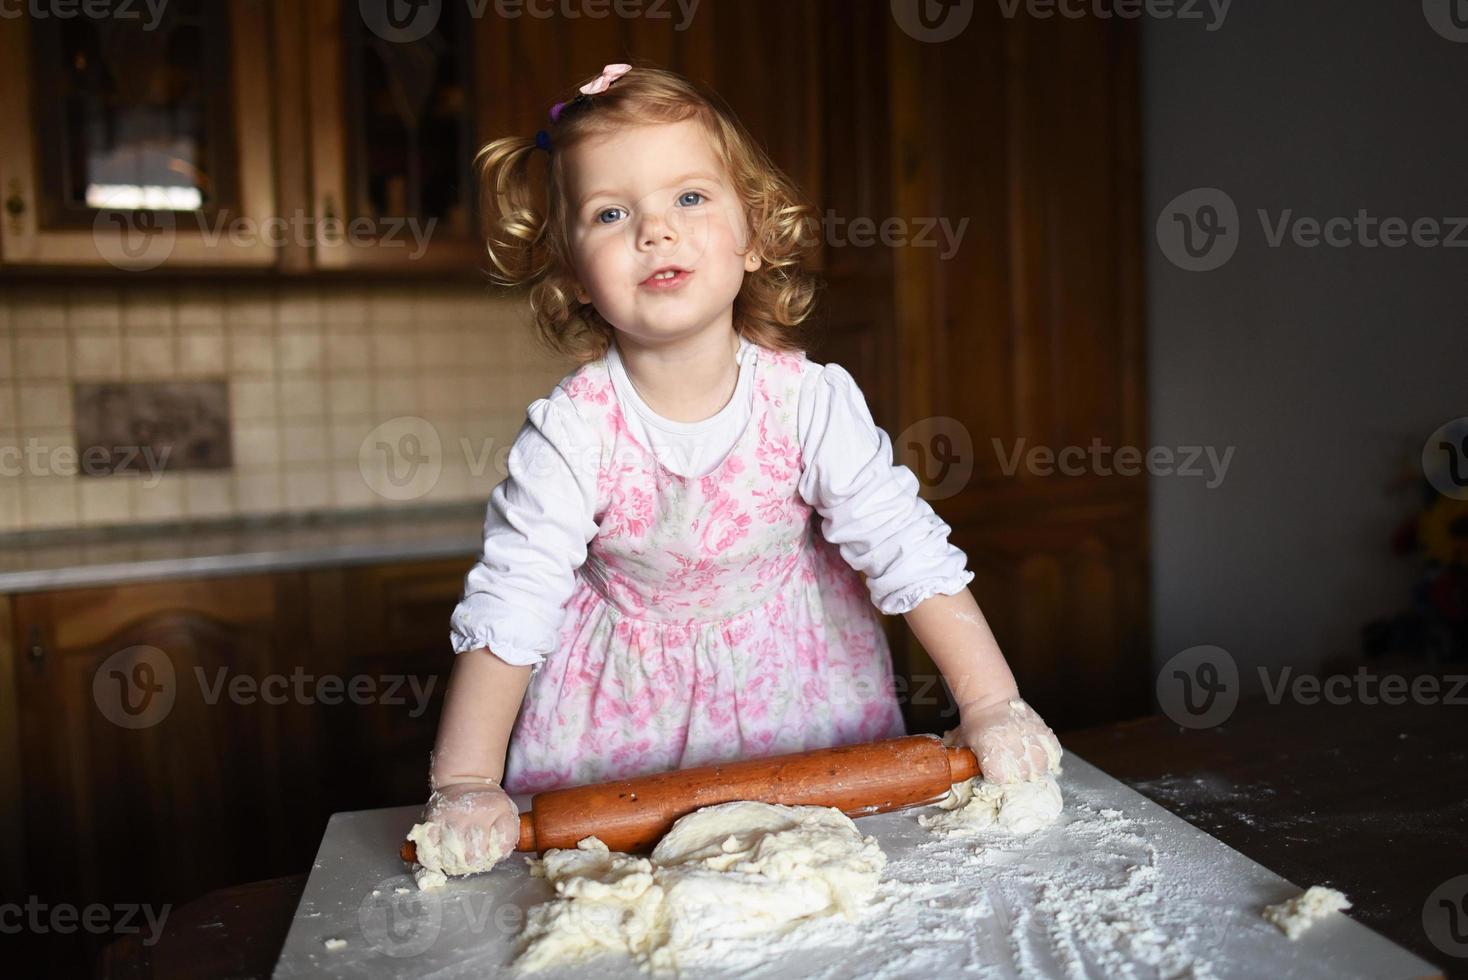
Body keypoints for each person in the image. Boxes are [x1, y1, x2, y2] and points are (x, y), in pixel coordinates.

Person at [413, 62, 1062, 876]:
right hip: (618, 726)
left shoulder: (810, 403)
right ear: (574, 271)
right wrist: (467, 781)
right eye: (611, 212)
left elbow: (906, 548)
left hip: (802, 700)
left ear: (753, 235)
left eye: (690, 197)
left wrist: (993, 706)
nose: (656, 230)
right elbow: (511, 604)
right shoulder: (572, 433)